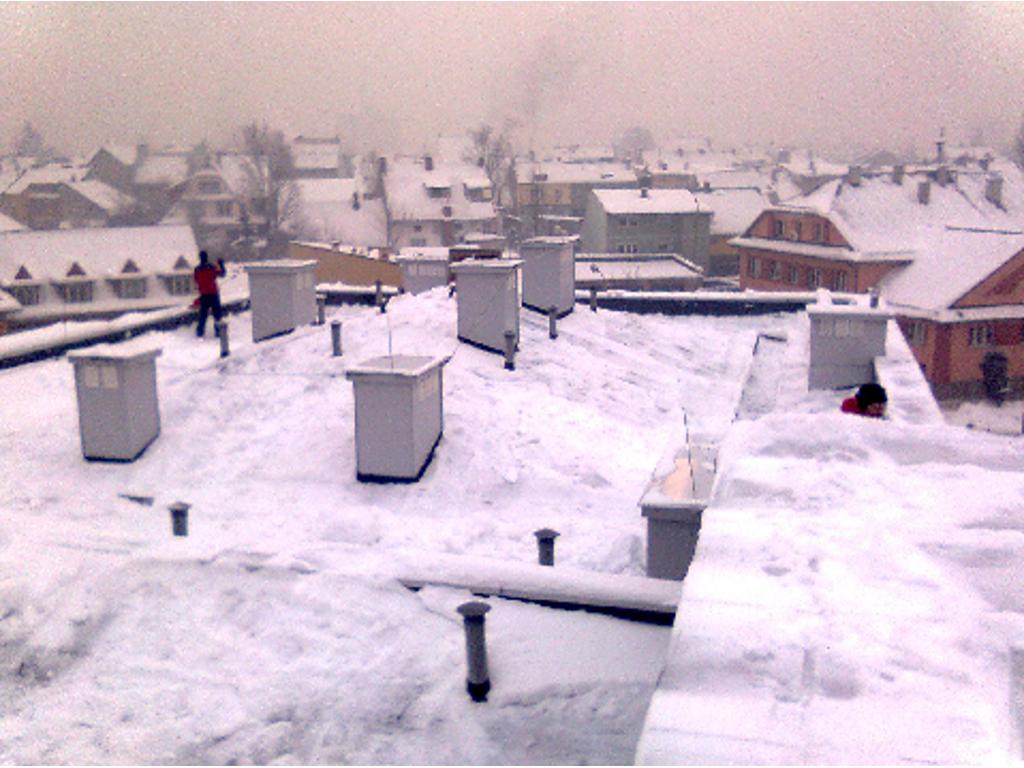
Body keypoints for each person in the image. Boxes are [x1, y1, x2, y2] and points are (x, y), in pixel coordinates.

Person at [193, 250, 226, 338]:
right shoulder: (211, 267)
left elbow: (196, 280)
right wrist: (221, 264)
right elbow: (222, 274)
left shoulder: (197, 269)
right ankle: (218, 332)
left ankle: (200, 333)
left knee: (203, 316)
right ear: (207, 257)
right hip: (213, 294)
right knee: (217, 315)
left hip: (203, 295)